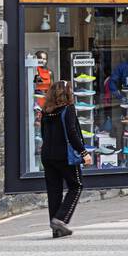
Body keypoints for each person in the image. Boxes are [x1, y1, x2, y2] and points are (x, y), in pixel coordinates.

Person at [39, 80, 91, 237]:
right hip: (65, 156)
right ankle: (60, 219)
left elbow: (43, 134)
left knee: (54, 191)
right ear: (67, 93)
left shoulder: (46, 111)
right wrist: (84, 153)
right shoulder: (68, 109)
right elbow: (72, 133)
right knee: (76, 186)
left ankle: (56, 230)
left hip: (47, 155)